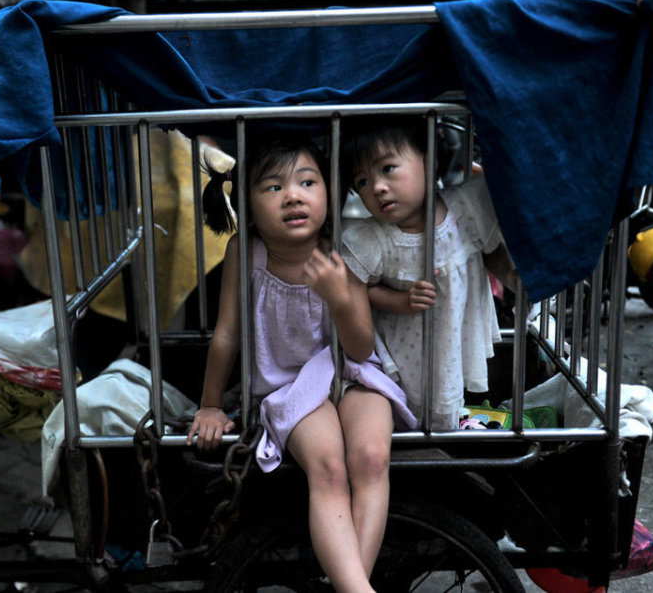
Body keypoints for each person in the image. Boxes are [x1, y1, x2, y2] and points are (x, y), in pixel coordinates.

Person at [186, 135, 417, 592]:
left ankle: (352, 585)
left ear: (329, 194)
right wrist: (210, 404)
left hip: (353, 374)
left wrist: (339, 298)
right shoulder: (245, 251)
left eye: (307, 182)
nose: (292, 195)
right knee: (328, 466)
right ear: (247, 206)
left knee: (371, 456)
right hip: (289, 387)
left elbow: (358, 347)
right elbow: (227, 333)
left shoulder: (342, 248)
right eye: (272, 187)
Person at [341, 118, 516, 430]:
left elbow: (493, 256)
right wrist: (399, 300)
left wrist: (516, 279)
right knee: (408, 406)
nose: (378, 188)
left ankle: (447, 434)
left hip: (453, 330)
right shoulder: (374, 238)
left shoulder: (467, 207)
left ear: (428, 158)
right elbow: (360, 288)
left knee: (448, 387)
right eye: (362, 182)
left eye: (387, 169)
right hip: (403, 342)